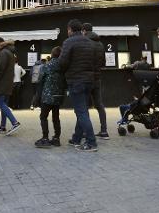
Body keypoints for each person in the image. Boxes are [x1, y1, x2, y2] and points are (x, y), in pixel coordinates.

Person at [60, 19, 103, 152]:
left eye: (67, 30)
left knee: (81, 112)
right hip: (90, 81)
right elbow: (97, 62)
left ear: (70, 29)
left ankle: (91, 142)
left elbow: (63, 62)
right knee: (82, 110)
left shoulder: (68, 42)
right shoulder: (90, 43)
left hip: (76, 81)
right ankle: (76, 139)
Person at [35, 46, 66, 148]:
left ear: (52, 54)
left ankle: (45, 138)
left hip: (47, 96)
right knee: (56, 117)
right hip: (59, 96)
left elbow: (40, 80)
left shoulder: (46, 66)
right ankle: (56, 138)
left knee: (43, 116)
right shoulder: (63, 67)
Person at [82, 22, 108, 140]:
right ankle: (104, 131)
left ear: (84, 31)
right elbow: (104, 63)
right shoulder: (100, 44)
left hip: (86, 78)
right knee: (99, 104)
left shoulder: (84, 42)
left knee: (84, 106)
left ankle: (85, 132)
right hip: (97, 77)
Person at [0, 38, 21, 134]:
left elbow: (0, 68)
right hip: (8, 82)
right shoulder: (10, 52)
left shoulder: (3, 53)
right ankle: (2, 126)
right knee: (4, 104)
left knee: (0, 104)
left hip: (2, 83)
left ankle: (14, 122)